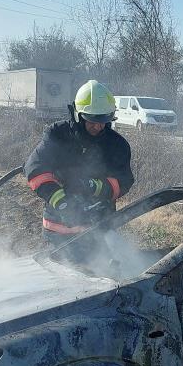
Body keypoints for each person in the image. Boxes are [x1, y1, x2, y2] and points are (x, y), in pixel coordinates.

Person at [24, 80, 135, 257]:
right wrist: (63, 203)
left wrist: (94, 186)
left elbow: (124, 181)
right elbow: (35, 169)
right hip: (58, 232)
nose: (98, 126)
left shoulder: (117, 145)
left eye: (104, 121)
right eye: (92, 121)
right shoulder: (58, 135)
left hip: (99, 230)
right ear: (77, 115)